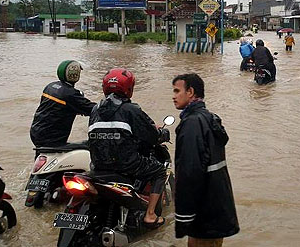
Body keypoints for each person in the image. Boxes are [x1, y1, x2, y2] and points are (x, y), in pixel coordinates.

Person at [88, 68, 167, 228]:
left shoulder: (95, 110)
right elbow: (151, 135)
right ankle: (150, 215)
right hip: (127, 164)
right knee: (160, 171)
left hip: (98, 166)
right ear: (129, 88)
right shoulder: (131, 110)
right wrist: (161, 134)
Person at [171, 73, 239, 247]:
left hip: (205, 212)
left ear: (191, 92)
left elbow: (189, 172)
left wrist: (183, 218)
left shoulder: (192, 123)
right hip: (216, 207)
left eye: (177, 91)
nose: (173, 96)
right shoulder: (208, 118)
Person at [29, 60, 96, 148]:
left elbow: (57, 108)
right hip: (52, 140)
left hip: (36, 134)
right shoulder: (71, 94)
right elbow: (93, 109)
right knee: (89, 146)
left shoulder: (50, 87)